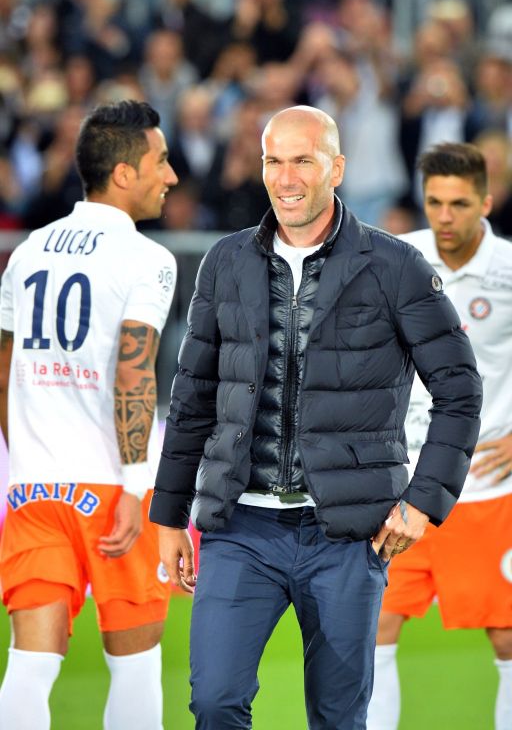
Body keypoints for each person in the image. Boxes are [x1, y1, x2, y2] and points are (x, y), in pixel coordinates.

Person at [149, 105, 482, 730]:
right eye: (274, 160)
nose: (286, 176)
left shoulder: (396, 266)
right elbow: (193, 395)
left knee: (337, 717)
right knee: (215, 703)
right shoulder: (224, 261)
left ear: (336, 167)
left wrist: (422, 502)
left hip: (349, 537)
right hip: (238, 528)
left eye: (302, 159)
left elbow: (460, 391)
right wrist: (168, 517)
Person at [0, 99, 178, 730]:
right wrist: (134, 488)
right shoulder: (147, 259)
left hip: (33, 488)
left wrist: (25, 460)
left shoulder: (27, 252)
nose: (172, 176)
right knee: (135, 666)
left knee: (29, 664)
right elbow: (135, 372)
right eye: (160, 160)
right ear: (124, 173)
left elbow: (4, 367)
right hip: (110, 487)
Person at [367, 142, 512, 730]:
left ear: (485, 201)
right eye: (434, 203)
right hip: (403, 482)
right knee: (375, 623)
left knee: (506, 634)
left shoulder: (509, 270)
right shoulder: (399, 260)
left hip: (486, 486)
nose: (444, 216)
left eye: (458, 203)